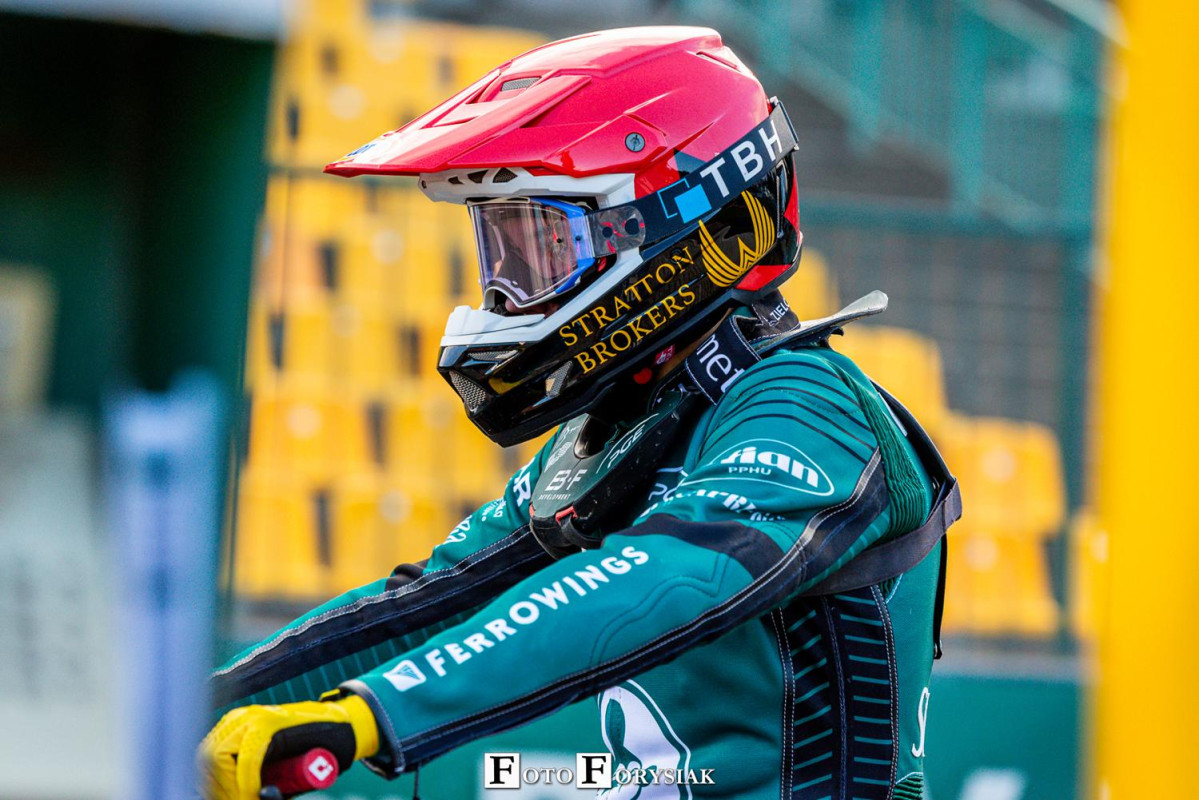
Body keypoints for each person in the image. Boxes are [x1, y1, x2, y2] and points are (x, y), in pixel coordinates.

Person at [200, 26, 960, 800]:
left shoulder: (808, 403)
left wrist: (371, 714)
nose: (508, 289)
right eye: (502, 253)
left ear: (695, 227)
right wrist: (195, 706)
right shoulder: (627, 421)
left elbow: (669, 575)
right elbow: (433, 601)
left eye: (543, 247)